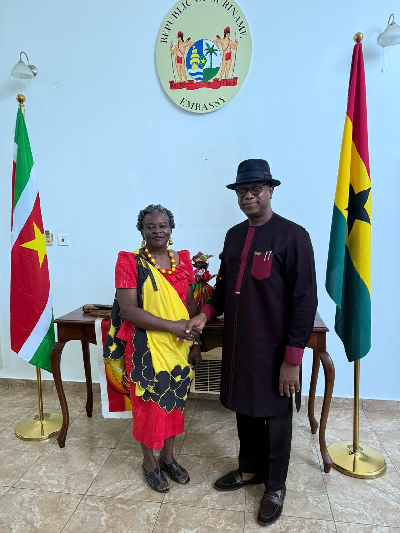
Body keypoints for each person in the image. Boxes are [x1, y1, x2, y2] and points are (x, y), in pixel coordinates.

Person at [186, 159, 318, 526]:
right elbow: (223, 289)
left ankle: (275, 486)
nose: (248, 196)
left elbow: (305, 301)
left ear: (270, 190)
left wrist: (292, 359)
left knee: (276, 418)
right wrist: (205, 314)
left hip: (275, 350)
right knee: (244, 409)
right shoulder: (233, 236)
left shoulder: (293, 236)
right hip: (240, 345)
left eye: (256, 189)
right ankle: (249, 469)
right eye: (242, 190)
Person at [114, 204, 202, 493]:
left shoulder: (183, 260)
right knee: (149, 406)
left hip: (178, 345)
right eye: (150, 226)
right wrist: (172, 326)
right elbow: (128, 310)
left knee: (174, 402)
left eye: (162, 225)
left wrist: (195, 342)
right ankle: (149, 462)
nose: (157, 231)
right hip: (145, 346)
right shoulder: (130, 261)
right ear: (141, 230)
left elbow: (190, 305)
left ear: (171, 229)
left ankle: (168, 458)